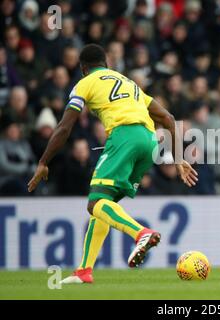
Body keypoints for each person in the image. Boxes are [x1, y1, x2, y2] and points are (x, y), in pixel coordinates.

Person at [27, 44, 198, 284]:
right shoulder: (128, 83)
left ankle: (141, 233)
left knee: (95, 202)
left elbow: (64, 127)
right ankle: (84, 271)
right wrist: (179, 159)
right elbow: (168, 118)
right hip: (149, 143)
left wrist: (44, 161)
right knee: (104, 206)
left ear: (83, 68)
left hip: (124, 137)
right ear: (106, 63)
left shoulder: (84, 83)